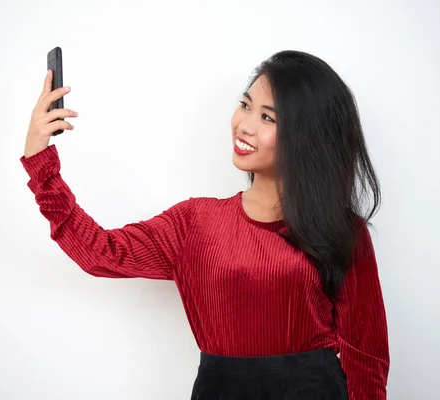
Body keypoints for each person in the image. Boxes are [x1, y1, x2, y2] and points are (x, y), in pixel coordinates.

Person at [21, 50, 389, 400]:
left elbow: (367, 360)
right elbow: (99, 252)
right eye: (245, 105)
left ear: (307, 137)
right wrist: (40, 162)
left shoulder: (342, 231)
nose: (244, 125)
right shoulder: (195, 224)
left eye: (268, 117)